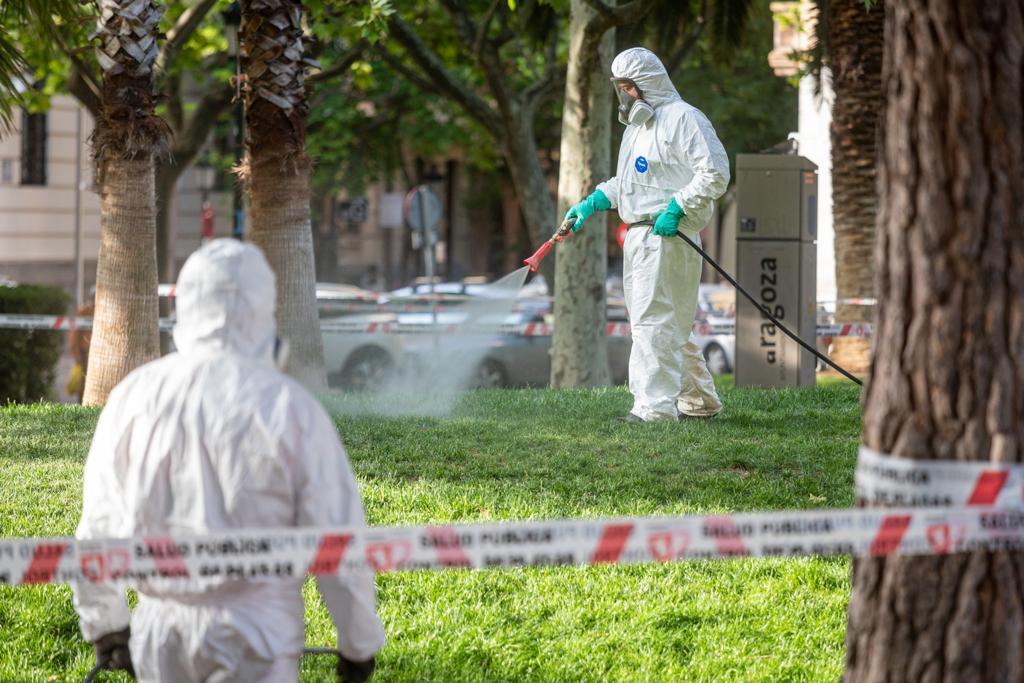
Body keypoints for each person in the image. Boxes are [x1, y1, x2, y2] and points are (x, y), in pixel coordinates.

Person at [72, 239, 385, 682]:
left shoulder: (134, 398)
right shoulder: (291, 408)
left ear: (187, 305)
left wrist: (105, 626)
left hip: (162, 637)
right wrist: (358, 643)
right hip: (257, 639)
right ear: (263, 309)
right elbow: (337, 536)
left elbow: (98, 524)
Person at [565, 47, 729, 422]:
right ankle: (699, 402)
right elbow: (631, 183)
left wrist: (678, 207)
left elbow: (715, 172)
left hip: (668, 234)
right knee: (670, 324)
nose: (623, 96)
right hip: (641, 235)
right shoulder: (637, 130)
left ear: (647, 84)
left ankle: (653, 410)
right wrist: (593, 202)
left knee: (653, 322)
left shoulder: (684, 119)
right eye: (620, 88)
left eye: (628, 87)